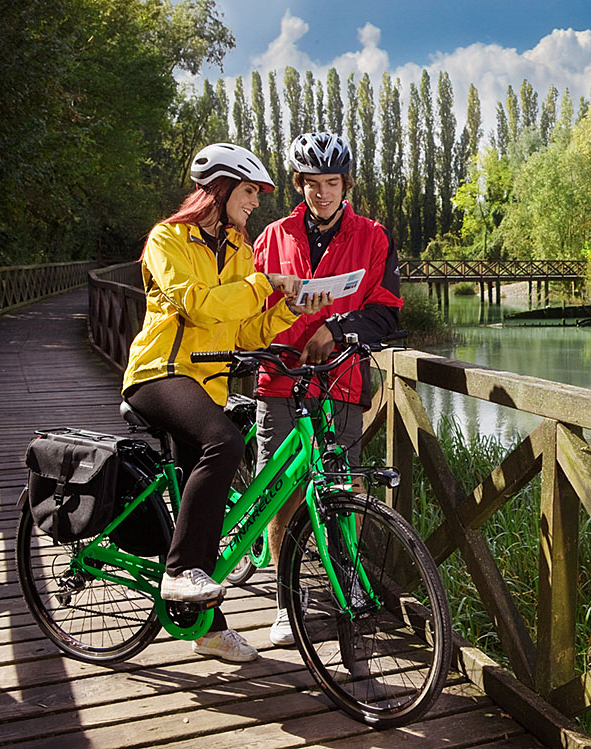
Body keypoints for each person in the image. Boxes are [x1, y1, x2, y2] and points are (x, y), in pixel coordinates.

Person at [121, 143, 330, 663]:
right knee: (226, 442)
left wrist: (290, 308)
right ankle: (178, 573)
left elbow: (242, 332)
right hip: (159, 373)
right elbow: (196, 305)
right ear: (220, 188)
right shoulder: (167, 239)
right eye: (250, 191)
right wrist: (264, 283)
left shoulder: (240, 250)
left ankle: (207, 627)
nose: (256, 202)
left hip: (208, 385)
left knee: (208, 511)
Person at [253, 132, 403, 647]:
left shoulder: (373, 236)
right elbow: (246, 307)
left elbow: (387, 312)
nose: (322, 194)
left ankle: (346, 583)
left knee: (343, 487)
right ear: (299, 185)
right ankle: (285, 600)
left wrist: (336, 329)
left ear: (346, 184)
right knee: (285, 491)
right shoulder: (272, 237)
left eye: (332, 183)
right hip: (280, 377)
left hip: (340, 378)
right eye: (313, 184)